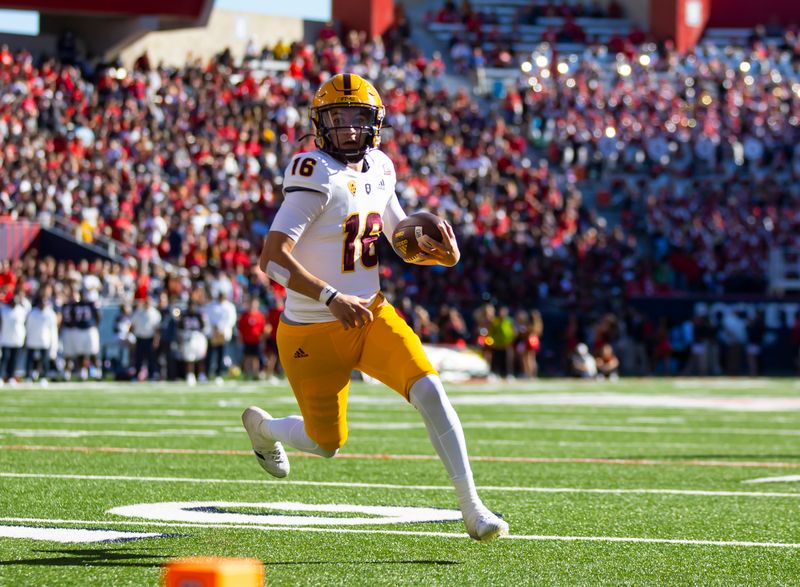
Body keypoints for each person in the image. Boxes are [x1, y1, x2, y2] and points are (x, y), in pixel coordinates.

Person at [242, 73, 508, 542]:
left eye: (358, 119)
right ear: (320, 124)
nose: (348, 129)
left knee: (430, 390)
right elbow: (272, 259)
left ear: (375, 123)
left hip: (370, 314)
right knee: (327, 444)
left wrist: (438, 250)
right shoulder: (314, 171)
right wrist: (329, 297)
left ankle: (473, 507)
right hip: (310, 330)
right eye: (338, 119)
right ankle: (266, 430)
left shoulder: (381, 167)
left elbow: (399, 235)